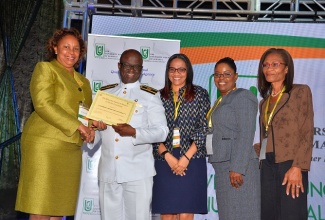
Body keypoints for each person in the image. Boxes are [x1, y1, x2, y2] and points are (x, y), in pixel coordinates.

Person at [15, 28, 96, 220]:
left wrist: (93, 126)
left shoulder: (83, 82)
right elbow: (43, 104)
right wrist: (79, 126)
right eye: (66, 47)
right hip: (45, 145)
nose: (71, 52)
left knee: (59, 210)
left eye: (76, 48)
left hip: (70, 149)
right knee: (41, 208)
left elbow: (85, 113)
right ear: (55, 48)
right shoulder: (46, 69)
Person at [92, 49, 168, 220]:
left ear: (141, 70)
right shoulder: (105, 93)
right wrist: (91, 134)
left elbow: (162, 132)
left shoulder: (150, 95)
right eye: (127, 65)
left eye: (136, 67)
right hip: (108, 171)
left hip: (138, 171)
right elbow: (97, 131)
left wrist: (134, 132)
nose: (131, 70)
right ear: (119, 66)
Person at [256, 48, 314, 220]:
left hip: (291, 164)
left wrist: (298, 167)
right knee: (269, 215)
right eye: (265, 65)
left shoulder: (300, 92)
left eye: (275, 64)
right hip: (266, 166)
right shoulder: (264, 102)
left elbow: (307, 131)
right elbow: (266, 137)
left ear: (286, 68)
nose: (269, 69)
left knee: (291, 215)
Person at [152, 53, 210, 220]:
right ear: (167, 71)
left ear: (188, 71)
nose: (176, 73)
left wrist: (186, 157)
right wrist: (168, 156)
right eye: (172, 69)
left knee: (185, 213)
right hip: (164, 159)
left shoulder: (200, 94)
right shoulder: (158, 96)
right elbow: (153, 131)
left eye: (181, 69)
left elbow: (203, 128)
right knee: (167, 213)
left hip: (192, 158)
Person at [208, 57, 260, 220]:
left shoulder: (242, 96)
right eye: (217, 75)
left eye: (226, 74)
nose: (221, 78)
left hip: (238, 168)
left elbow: (246, 133)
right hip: (224, 166)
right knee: (230, 215)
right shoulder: (220, 101)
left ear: (236, 76)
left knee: (243, 213)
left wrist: (237, 168)